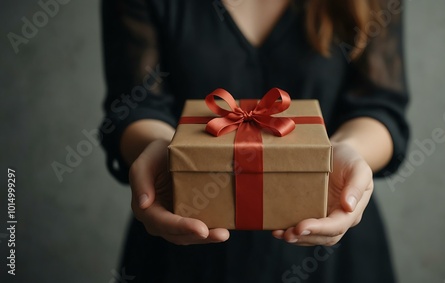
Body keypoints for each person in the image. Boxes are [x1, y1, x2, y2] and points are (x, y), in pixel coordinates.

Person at [100, 0, 409, 282]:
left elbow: (379, 105)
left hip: (330, 225)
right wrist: (161, 152)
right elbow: (134, 104)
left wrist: (348, 153)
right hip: (182, 220)